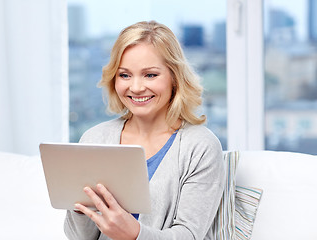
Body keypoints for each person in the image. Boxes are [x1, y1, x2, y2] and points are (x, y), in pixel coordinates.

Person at [64, 20, 225, 240]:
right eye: (124, 75)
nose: (136, 87)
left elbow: (189, 235)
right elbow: (79, 237)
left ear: (174, 78)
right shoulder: (95, 138)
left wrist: (135, 234)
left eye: (150, 75)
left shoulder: (200, 146)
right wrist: (80, 203)